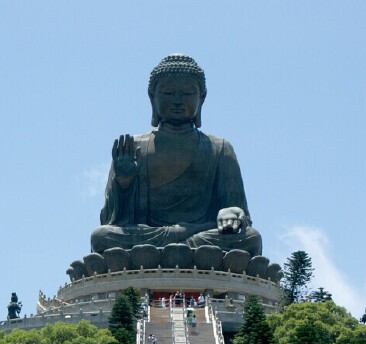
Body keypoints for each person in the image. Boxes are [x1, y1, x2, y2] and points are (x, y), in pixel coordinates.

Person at [90, 54, 262, 256]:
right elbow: (113, 221)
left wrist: (231, 213)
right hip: (149, 238)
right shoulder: (133, 147)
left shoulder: (219, 148)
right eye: (168, 93)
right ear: (152, 96)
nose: (178, 101)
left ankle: (169, 253)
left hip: (201, 236)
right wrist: (124, 183)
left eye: (188, 93)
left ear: (202, 97)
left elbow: (238, 214)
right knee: (101, 237)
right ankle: (175, 252)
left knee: (251, 238)